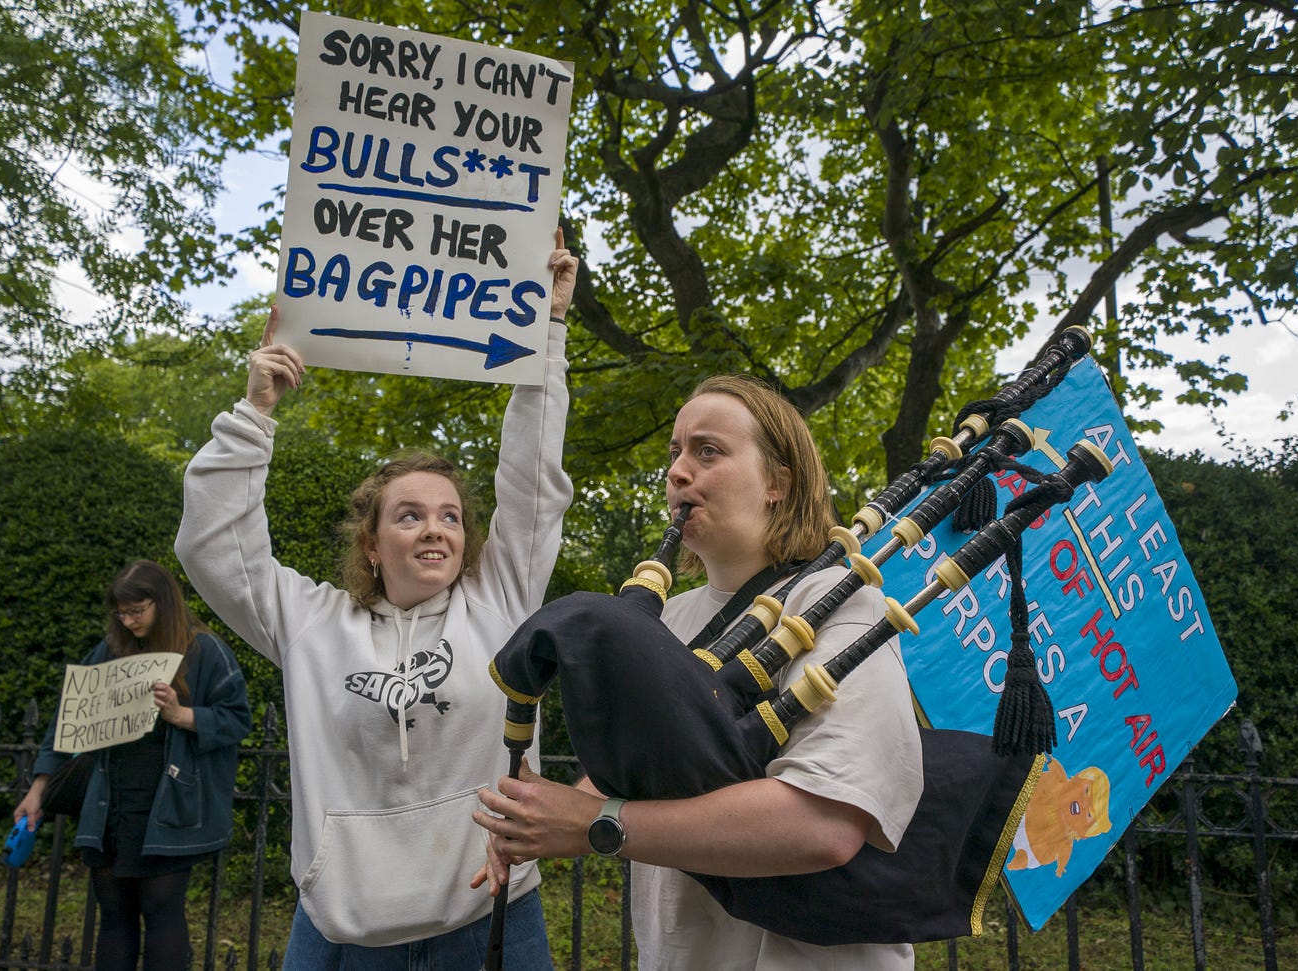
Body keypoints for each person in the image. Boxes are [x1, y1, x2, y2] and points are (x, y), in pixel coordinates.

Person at [174, 231, 577, 969]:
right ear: (371, 543)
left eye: (451, 515)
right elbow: (214, 550)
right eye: (410, 514)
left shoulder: (503, 597)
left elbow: (532, 482)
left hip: (491, 911)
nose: (436, 528)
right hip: (341, 931)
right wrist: (254, 412)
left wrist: (545, 330)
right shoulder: (312, 622)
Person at [473, 374, 926, 969]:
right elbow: (649, 771)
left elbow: (826, 822)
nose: (678, 472)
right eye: (676, 453)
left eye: (707, 451)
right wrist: (549, 811)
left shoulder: (843, 605)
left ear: (776, 483)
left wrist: (594, 824)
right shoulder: (672, 617)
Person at [15, 559, 252, 971]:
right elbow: (67, 723)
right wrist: (37, 790)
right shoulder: (109, 650)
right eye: (119, 612)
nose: (127, 621)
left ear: (162, 602)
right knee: (115, 915)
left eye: (136, 610)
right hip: (110, 806)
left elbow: (237, 719)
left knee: (162, 912)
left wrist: (182, 716)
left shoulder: (204, 649)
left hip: (169, 808)